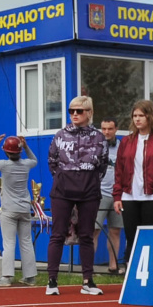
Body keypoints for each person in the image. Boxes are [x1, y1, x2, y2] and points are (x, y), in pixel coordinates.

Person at [43, 96, 107, 296]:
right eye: (72, 111)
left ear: (89, 112)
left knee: (87, 235)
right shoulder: (60, 135)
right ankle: (52, 281)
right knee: (58, 234)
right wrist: (65, 178)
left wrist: (86, 179)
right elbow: (52, 161)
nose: (75, 115)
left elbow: (103, 165)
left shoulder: (99, 137)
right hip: (62, 191)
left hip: (89, 191)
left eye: (79, 111)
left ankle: (88, 281)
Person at [111, 100, 153, 270]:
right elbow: (119, 171)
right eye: (135, 116)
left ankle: (152, 274)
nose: (137, 119)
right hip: (129, 197)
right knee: (132, 237)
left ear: (150, 117)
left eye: (141, 115)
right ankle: (132, 274)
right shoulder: (127, 141)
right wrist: (117, 196)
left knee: (150, 238)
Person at [0, 134, 37, 286]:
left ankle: (6, 277)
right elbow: (35, 160)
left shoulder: (3, 165)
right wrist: (26, 146)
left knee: (9, 243)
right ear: (19, 152)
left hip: (9, 210)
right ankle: (30, 277)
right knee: (26, 242)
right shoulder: (26, 164)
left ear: (6, 152)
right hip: (25, 209)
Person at [95, 117, 128, 273]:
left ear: (116, 129)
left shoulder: (123, 147)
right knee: (93, 231)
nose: (106, 132)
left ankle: (113, 266)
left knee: (115, 231)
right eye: (104, 129)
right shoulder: (95, 146)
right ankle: (88, 268)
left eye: (110, 129)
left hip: (118, 196)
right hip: (98, 195)